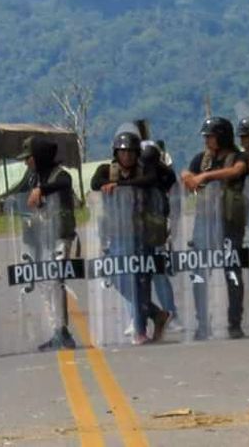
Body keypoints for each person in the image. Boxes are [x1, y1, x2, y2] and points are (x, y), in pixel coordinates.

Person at [91, 132, 171, 345]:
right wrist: (107, 184)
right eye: (122, 152)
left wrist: (119, 187)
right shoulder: (107, 170)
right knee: (117, 276)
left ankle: (140, 330)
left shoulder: (145, 170)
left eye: (130, 152)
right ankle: (156, 314)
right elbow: (95, 182)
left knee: (141, 281)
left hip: (141, 234)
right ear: (116, 153)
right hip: (117, 233)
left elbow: (152, 179)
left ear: (137, 153)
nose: (126, 156)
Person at [181, 117, 249, 340]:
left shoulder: (237, 157)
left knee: (232, 272)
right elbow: (187, 175)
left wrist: (207, 176)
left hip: (229, 222)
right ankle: (202, 322)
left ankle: (235, 322)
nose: (208, 140)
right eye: (206, 137)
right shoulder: (202, 159)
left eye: (211, 136)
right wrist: (189, 176)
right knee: (199, 272)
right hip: (205, 221)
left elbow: (238, 171)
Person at [9, 136, 79, 351]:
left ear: (39, 156)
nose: (26, 163)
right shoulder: (32, 177)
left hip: (60, 235)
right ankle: (57, 330)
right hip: (41, 236)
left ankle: (61, 330)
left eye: (28, 158)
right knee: (44, 284)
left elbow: (64, 185)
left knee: (55, 281)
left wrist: (43, 190)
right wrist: (9, 201)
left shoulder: (60, 175)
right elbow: (16, 192)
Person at [140, 140, 179, 330]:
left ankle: (171, 312)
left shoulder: (164, 175)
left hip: (157, 229)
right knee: (141, 274)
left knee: (158, 272)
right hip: (140, 230)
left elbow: (172, 201)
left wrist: (172, 228)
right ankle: (138, 316)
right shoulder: (140, 173)